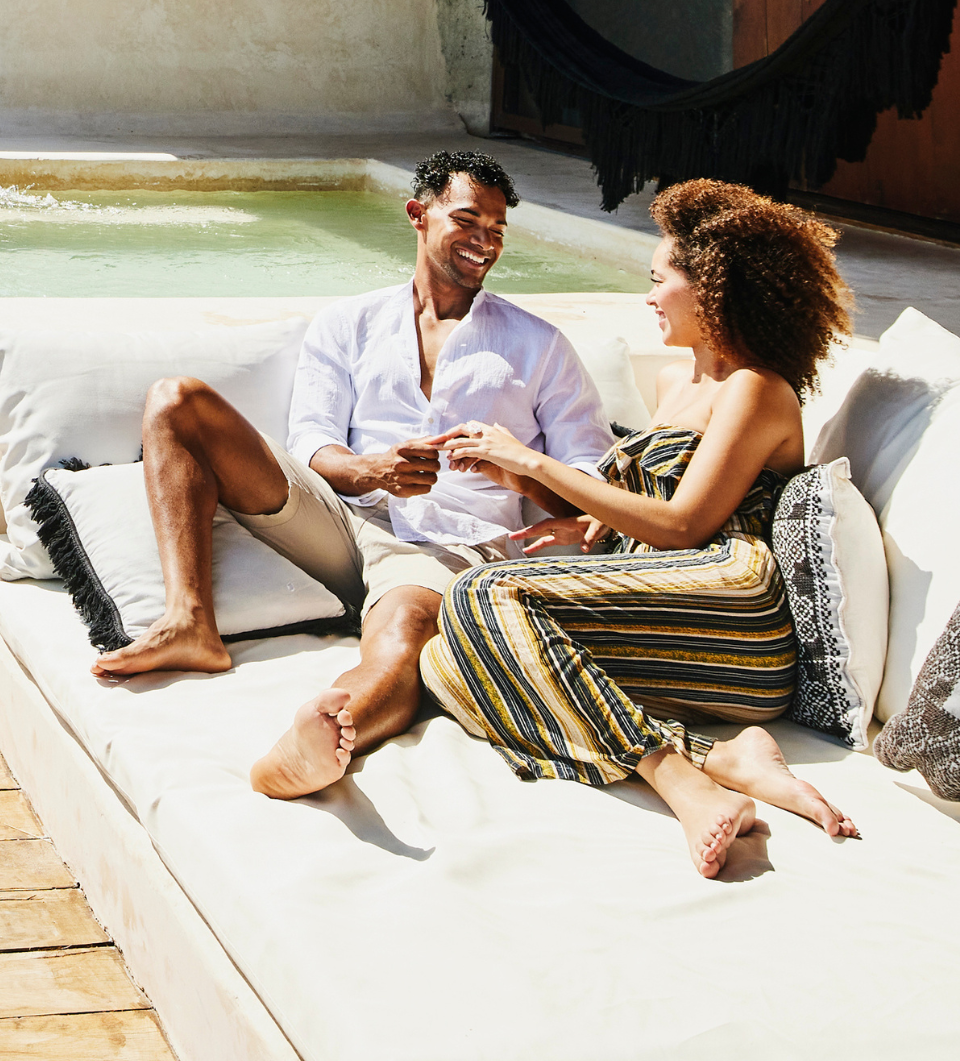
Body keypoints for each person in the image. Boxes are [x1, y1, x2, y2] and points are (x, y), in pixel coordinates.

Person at [90, 150, 614, 800]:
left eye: (498, 229)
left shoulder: (538, 346)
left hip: (445, 545)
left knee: (400, 637)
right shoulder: (351, 322)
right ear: (417, 215)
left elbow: (591, 474)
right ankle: (191, 622)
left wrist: (515, 473)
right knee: (177, 402)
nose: (486, 242)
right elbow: (312, 441)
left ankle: (324, 740)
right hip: (342, 520)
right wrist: (373, 471)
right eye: (469, 220)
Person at [421, 178, 859, 879]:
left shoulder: (755, 388)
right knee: (444, 663)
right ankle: (719, 754)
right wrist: (543, 493)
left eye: (660, 281)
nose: (649, 297)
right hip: (669, 603)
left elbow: (685, 525)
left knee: (483, 595)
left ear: (713, 288)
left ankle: (677, 778)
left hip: (732, 603)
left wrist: (534, 458)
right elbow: (644, 514)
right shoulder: (675, 385)